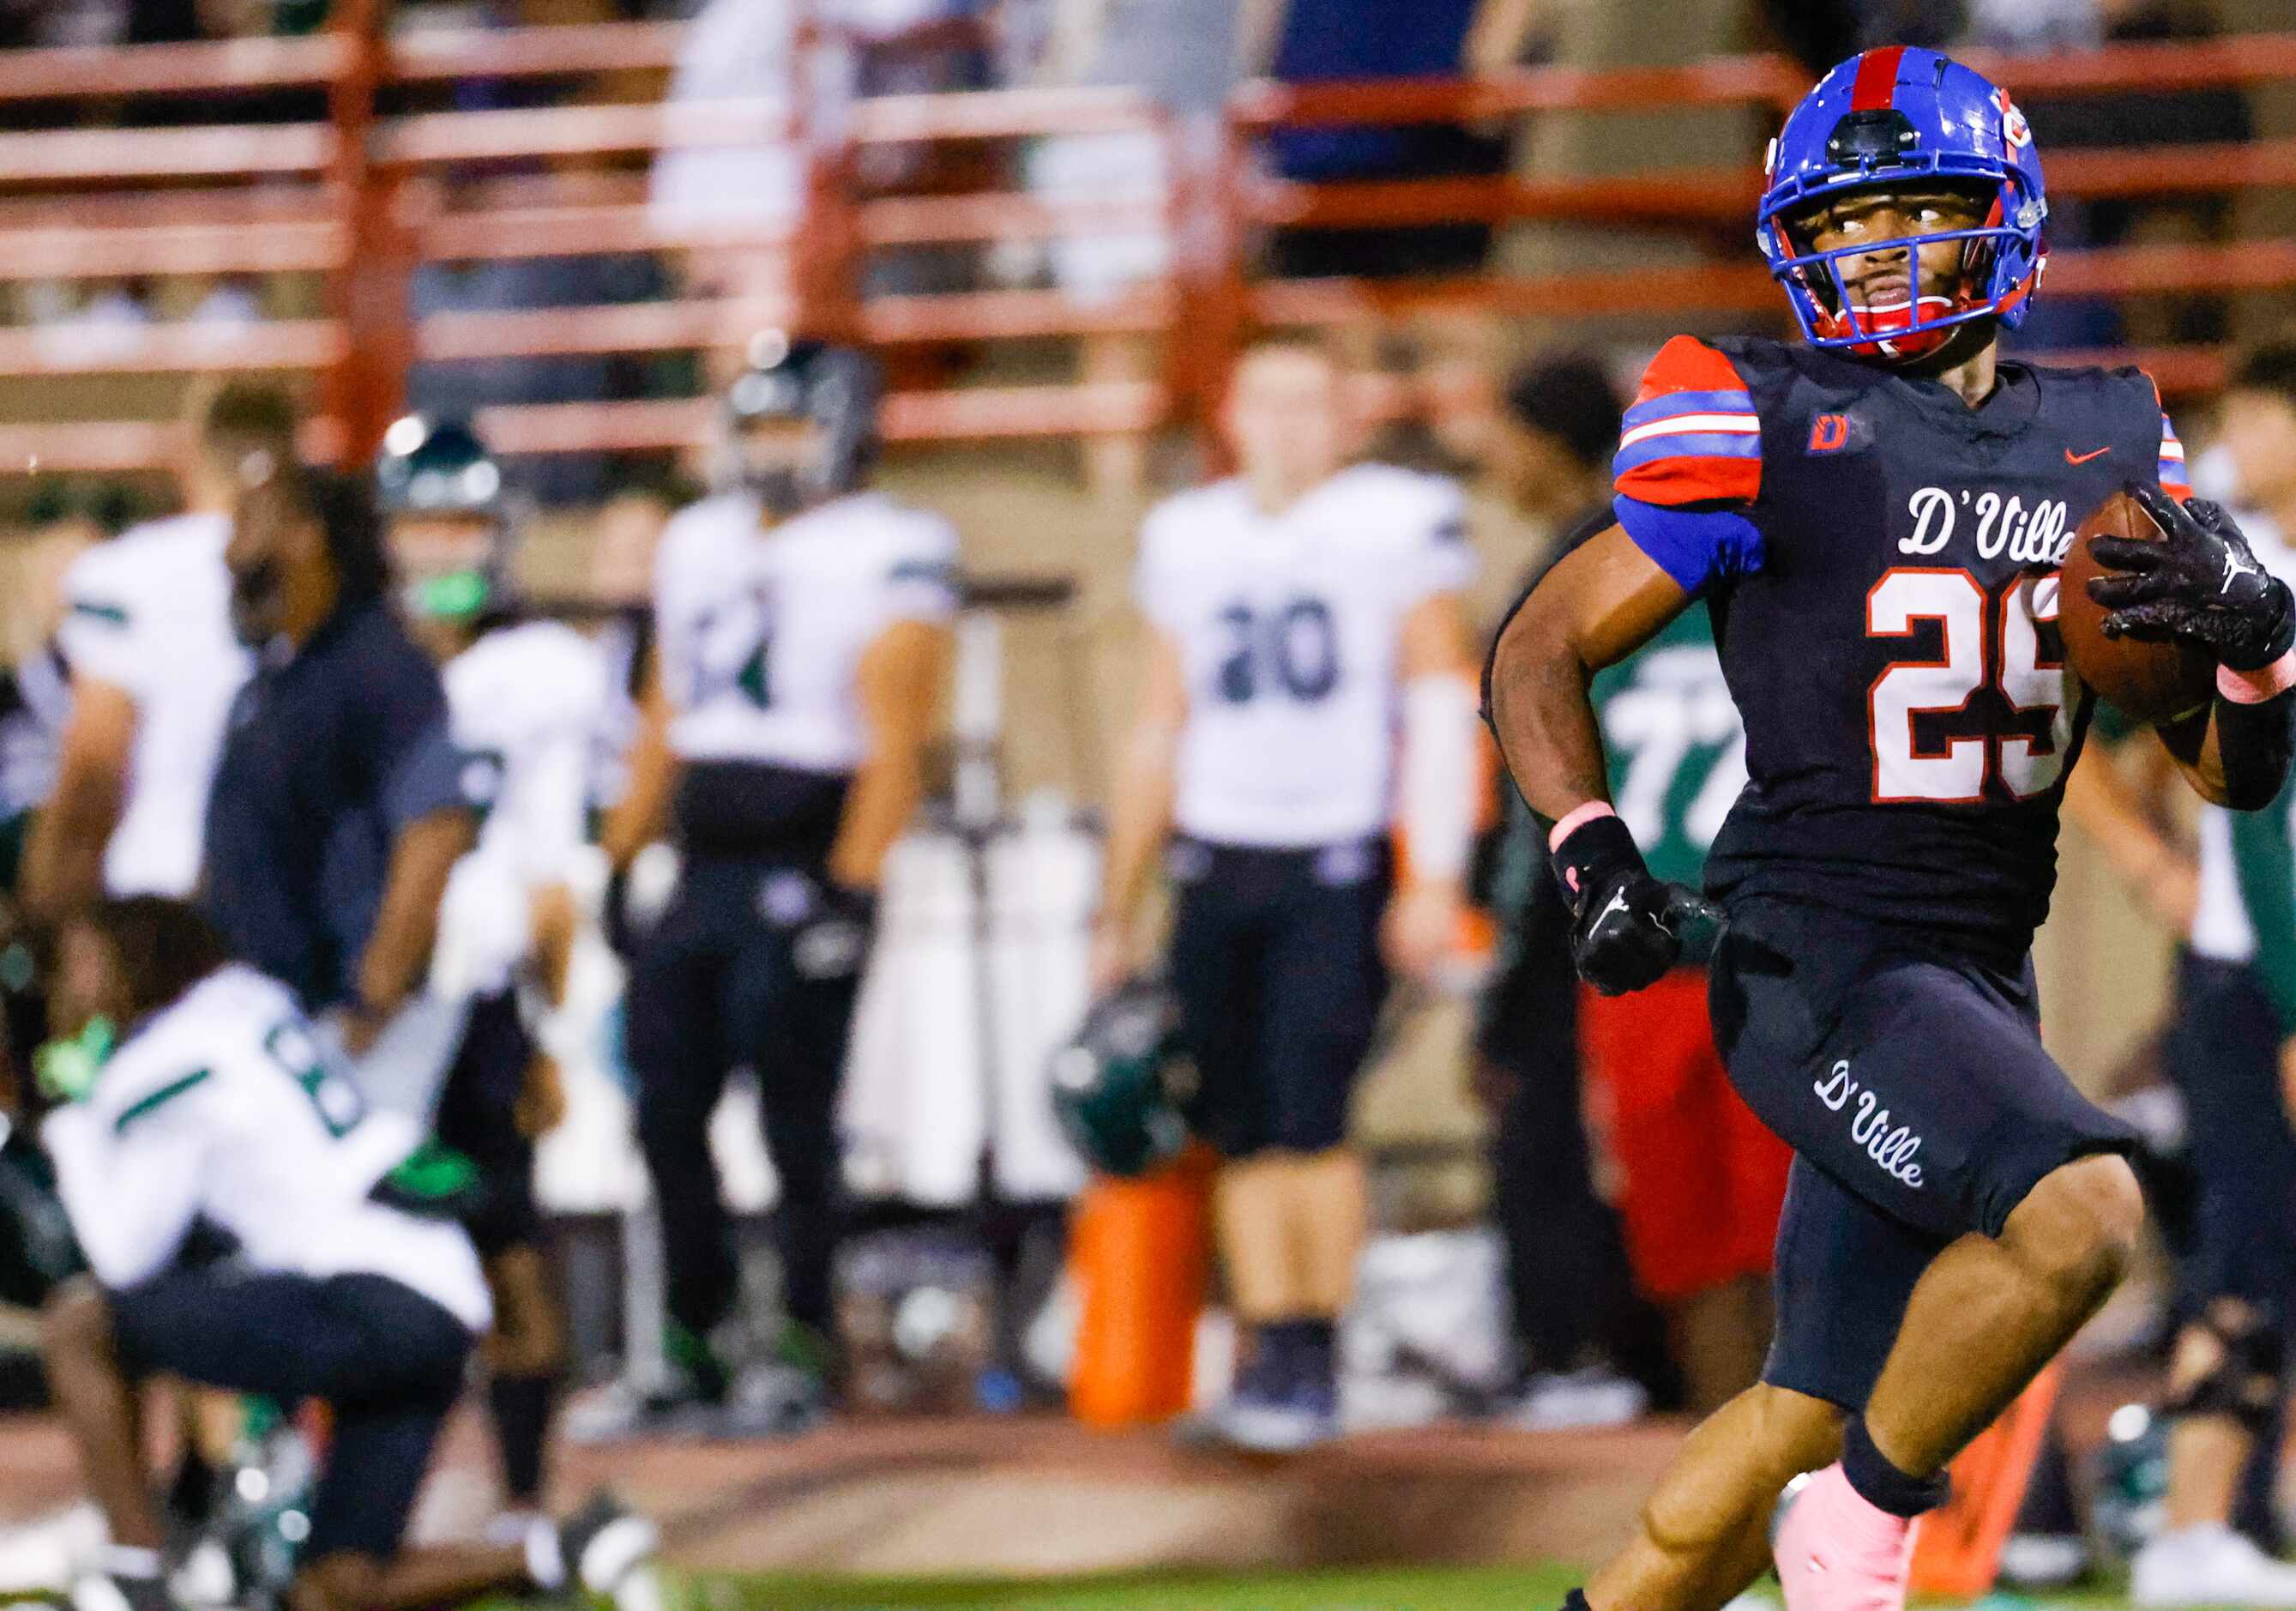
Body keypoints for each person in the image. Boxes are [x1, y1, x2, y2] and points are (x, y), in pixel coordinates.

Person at [1484, 46, 2296, 1611]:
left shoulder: (2112, 438)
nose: (1874, 254)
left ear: (2002, 219)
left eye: (1914, 213)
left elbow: (2232, 777)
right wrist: (1589, 850)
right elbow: (1539, 639)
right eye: (1846, 224)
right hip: (1817, 945)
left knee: (1804, 1399)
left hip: (1980, 960)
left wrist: (2259, 648)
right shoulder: (1752, 408)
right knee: (2084, 1216)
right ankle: (1855, 1543)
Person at [33, 896, 656, 1611]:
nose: (70, 986)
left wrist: (72, 1120)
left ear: (138, 957)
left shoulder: (165, 1059)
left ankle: (135, 1578)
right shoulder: (248, 999)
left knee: (79, 1327)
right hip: (433, 1293)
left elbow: (121, 1260)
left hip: (368, 1294)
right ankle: (571, 1547)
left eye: (84, 962)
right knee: (333, 1592)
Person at [1092, 331, 1480, 1451]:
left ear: (1349, 417)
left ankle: (1314, 1344)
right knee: (1240, 1121)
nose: (1290, 426)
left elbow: (1441, 703)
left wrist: (1434, 874)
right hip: (1217, 855)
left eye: (1313, 403)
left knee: (1313, 1113)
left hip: (1335, 855)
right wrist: (1117, 903)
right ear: (1229, 417)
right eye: (1268, 402)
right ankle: (1269, 1342)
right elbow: (1160, 722)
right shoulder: (1188, 534)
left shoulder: (1391, 520)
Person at [600, 332, 954, 1432]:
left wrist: (852, 882)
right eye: (755, 427)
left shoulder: (891, 544)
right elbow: (666, 709)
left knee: (796, 1117)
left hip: (808, 847)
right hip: (704, 853)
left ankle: (801, 1335)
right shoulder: (696, 539)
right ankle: (690, 1337)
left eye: (791, 426)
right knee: (665, 1111)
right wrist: (620, 851)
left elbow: (899, 732)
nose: (772, 451)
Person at [1481, 354, 1791, 1422]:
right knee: (1690, 1240)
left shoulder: (1800, 580)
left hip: (1772, 952)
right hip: (1646, 952)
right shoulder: (1590, 596)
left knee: (1786, 1232)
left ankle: (1801, 1475)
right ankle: (1735, 1466)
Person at [2063, 340, 2296, 1608]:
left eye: (2262, 415)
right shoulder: (2231, 569)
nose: (2244, 440)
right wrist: (2154, 867)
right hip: (2253, 969)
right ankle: (2194, 1525)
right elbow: (2095, 731)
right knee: (2248, 1253)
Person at [378, 416, 606, 1535]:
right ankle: (315, 1500)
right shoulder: (353, 671)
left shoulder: (543, 670)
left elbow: (553, 881)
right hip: (367, 1006)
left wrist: (550, 1030)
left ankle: (523, 1501)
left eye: (464, 522)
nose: (444, 549)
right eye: (423, 522)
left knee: (511, 1251)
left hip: (478, 1007)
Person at [201, 461, 478, 1095]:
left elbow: (436, 829)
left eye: (248, 525)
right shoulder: (275, 679)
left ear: (306, 534)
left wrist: (374, 995)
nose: (230, 553)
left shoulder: (380, 667)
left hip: (340, 1028)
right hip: (268, 1020)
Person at [22, 380, 295, 916]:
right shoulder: (317, 575)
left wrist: (45, 919)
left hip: (158, 904)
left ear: (191, 459)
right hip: (291, 902)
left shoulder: (126, 574)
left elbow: (96, 771)